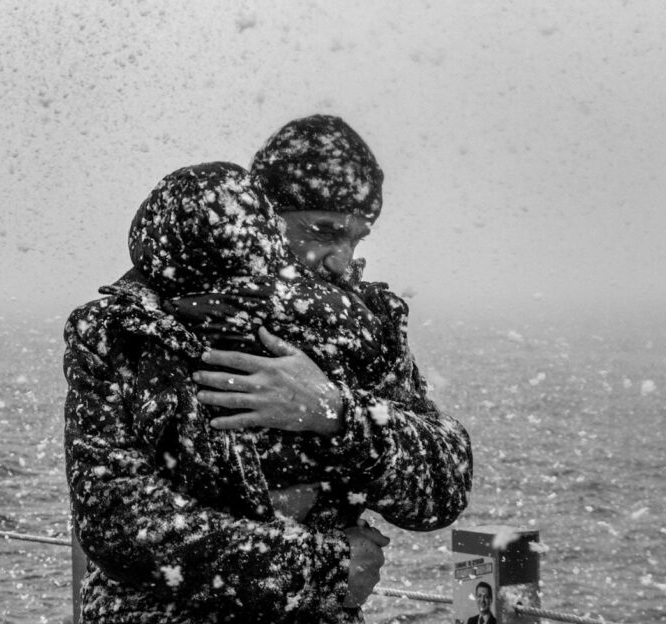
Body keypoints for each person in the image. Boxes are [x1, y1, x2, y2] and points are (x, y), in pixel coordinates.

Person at [64, 115, 472, 623]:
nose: (340, 260)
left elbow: (444, 486)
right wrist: (326, 568)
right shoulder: (127, 326)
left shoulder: (362, 326)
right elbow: (120, 524)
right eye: (322, 231)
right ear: (260, 218)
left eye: (357, 239)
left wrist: (335, 413)